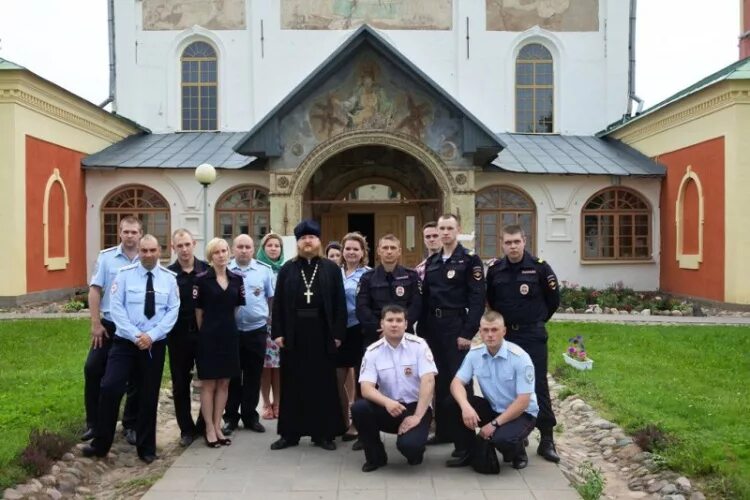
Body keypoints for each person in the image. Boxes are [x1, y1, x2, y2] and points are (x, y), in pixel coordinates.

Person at [82, 235, 180, 463]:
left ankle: (146, 448)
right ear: (139, 251)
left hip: (153, 345)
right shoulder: (124, 276)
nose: (147, 255)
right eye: (144, 251)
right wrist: (137, 336)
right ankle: (100, 444)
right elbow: (116, 309)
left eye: (152, 250)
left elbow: (172, 311)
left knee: (148, 395)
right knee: (110, 387)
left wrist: (151, 336)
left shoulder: (168, 279)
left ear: (160, 251)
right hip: (125, 343)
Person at [486, 224, 561, 463]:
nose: (513, 246)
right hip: (507, 337)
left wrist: (535, 320)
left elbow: (553, 301)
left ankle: (547, 438)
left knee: (537, 385)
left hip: (532, 335)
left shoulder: (539, 268)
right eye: (508, 242)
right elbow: (492, 302)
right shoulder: (496, 270)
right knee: (508, 385)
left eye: (516, 241)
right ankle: (517, 433)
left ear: (524, 240)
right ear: (502, 243)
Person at [270, 220, 347, 451]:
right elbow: (278, 304)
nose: (307, 241)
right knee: (292, 383)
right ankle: (289, 434)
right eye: (303, 238)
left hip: (322, 333)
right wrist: (278, 332)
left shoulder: (331, 269)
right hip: (294, 333)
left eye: (311, 237)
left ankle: (323, 434)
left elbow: (340, 304)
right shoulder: (287, 269)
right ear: (298, 242)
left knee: (322, 383)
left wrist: (338, 333)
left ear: (318, 241)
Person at [420, 214, 485, 445]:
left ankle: (464, 440)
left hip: (456, 326)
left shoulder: (469, 260)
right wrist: (422, 335)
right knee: (438, 381)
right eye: (441, 229)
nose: (445, 233)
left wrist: (467, 333)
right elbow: (426, 299)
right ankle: (444, 432)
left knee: (460, 381)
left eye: (449, 228)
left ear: (458, 229)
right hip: (433, 329)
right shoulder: (433, 262)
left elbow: (477, 299)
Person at [445, 311, 539, 470]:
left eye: (494, 330)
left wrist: (494, 425)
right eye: (485, 330)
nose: (490, 335)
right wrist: (466, 407)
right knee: (451, 403)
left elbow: (523, 401)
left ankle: (518, 451)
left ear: (504, 331)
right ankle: (469, 451)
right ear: (480, 331)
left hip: (521, 413)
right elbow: (456, 383)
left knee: (502, 440)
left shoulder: (520, 357)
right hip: (493, 408)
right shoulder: (475, 354)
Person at [352, 305, 437, 472]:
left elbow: (428, 381)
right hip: (389, 408)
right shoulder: (372, 351)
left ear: (406, 324)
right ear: (382, 324)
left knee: (410, 447)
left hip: (416, 408)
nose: (394, 324)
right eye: (390, 320)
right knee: (360, 408)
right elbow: (366, 389)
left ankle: (414, 448)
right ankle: (376, 457)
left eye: (399, 320)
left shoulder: (419, 346)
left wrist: (417, 416)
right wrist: (387, 403)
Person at [82, 215, 142, 444]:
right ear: (119, 233)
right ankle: (94, 423)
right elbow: (95, 290)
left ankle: (130, 424)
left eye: (134, 232)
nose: (129, 236)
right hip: (109, 326)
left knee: (136, 376)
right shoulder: (107, 258)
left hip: (135, 326)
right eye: (125, 232)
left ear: (140, 233)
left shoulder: (146, 258)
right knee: (93, 368)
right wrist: (95, 323)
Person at [194, 238, 246, 448]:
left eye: (224, 250)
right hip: (208, 337)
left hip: (229, 336)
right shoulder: (202, 279)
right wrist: (206, 333)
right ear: (210, 256)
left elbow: (235, 308)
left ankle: (217, 425)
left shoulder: (237, 279)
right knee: (209, 383)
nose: (221, 255)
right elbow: (198, 313)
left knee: (224, 382)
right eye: (217, 252)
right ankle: (208, 427)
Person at [223, 234, 274, 435]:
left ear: (253, 250)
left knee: (253, 376)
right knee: (233, 375)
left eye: (247, 247)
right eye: (240, 246)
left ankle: (250, 416)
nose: (244, 250)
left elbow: (271, 299)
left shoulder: (264, 270)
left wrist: (267, 321)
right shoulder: (224, 269)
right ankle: (230, 418)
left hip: (256, 331)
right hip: (232, 331)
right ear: (233, 249)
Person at [166, 228, 209, 447]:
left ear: (194, 244)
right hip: (178, 336)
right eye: (179, 246)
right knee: (180, 384)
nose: (184, 249)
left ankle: (204, 424)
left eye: (187, 244)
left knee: (208, 381)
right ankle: (186, 429)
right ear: (173, 248)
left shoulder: (207, 271)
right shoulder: (168, 274)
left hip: (204, 335)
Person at [356, 234, 422, 347]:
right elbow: (362, 307)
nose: (389, 251)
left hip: (405, 335)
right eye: (385, 248)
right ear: (378, 251)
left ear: (399, 251)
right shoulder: (367, 278)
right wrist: (382, 328)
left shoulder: (411, 276)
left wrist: (400, 327)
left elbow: (416, 305)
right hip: (376, 334)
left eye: (393, 248)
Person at [337, 232, 370, 442]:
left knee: (360, 380)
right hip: (339, 331)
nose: (351, 252)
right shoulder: (334, 273)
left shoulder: (368, 275)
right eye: (347, 248)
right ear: (342, 251)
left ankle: (358, 424)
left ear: (362, 253)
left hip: (359, 330)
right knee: (337, 378)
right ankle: (342, 420)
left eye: (355, 249)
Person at [256, 232, 285, 420]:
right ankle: (266, 403)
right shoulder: (257, 268)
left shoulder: (287, 268)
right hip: (263, 324)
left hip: (282, 325)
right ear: (263, 248)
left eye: (277, 245)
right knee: (266, 368)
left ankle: (280, 403)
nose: (273, 248)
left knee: (280, 367)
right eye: (270, 245)